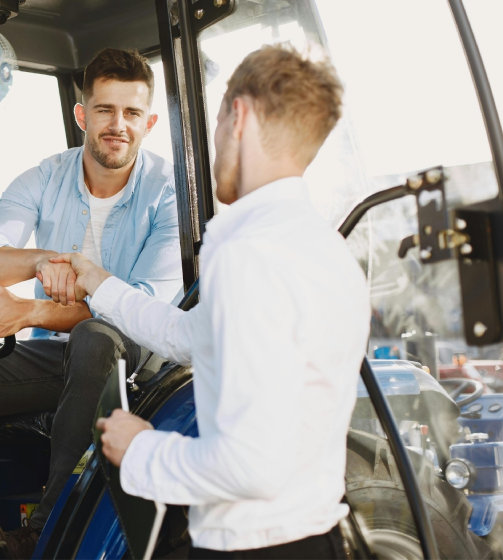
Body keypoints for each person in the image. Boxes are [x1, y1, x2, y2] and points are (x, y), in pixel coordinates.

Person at [51, 44, 370, 559]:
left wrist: (139, 450)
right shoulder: (320, 248)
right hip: (310, 539)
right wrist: (99, 281)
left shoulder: (250, 254)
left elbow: (251, 465)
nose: (213, 142)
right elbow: (188, 337)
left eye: (217, 121)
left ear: (237, 116)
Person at [0, 48, 183, 558]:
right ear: (82, 114)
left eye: (132, 113)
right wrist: (45, 261)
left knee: (94, 336)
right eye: (106, 110)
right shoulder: (46, 177)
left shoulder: (171, 193)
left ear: (150, 122)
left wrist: (33, 311)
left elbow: (143, 306)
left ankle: (44, 532)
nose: (118, 125)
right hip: (55, 356)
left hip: (139, 366)